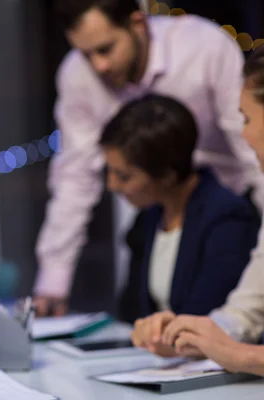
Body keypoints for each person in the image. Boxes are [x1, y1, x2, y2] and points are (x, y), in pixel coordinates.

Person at [33, 0, 264, 317]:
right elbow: (75, 177)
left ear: (137, 23)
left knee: (217, 317)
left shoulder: (203, 48)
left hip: (229, 207)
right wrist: (53, 283)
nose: (98, 66)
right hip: (158, 210)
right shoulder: (78, 75)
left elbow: (253, 150)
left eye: (105, 49)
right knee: (140, 317)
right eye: (86, 54)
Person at [131, 45, 264, 375]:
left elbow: (243, 347)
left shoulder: (223, 212)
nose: (243, 135)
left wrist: (246, 357)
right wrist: (187, 334)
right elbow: (245, 313)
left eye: (246, 119)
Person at [100, 94, 259, 322]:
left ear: (166, 175)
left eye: (124, 176)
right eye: (109, 171)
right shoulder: (149, 218)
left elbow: (206, 316)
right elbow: (130, 312)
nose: (112, 185)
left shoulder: (227, 219)